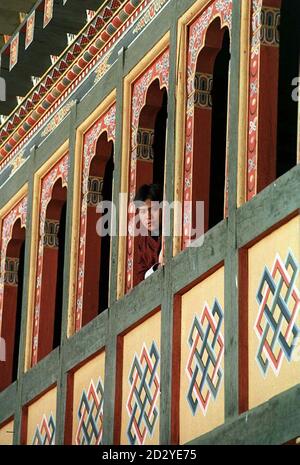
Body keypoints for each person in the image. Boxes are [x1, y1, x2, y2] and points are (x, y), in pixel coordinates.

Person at [134, 184, 164, 285]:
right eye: (143, 212)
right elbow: (140, 277)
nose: (148, 216)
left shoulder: (172, 232)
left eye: (153, 209)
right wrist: (156, 268)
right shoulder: (143, 243)